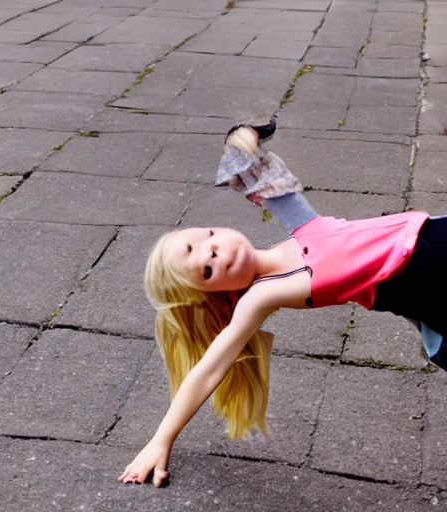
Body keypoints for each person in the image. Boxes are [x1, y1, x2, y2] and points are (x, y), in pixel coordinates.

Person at [119, 119, 447, 487]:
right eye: (207, 271)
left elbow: (261, 172)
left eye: (207, 240)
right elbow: (209, 368)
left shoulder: (302, 228)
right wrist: (161, 439)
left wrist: (242, 137)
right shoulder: (264, 294)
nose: (215, 254)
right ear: (215, 294)